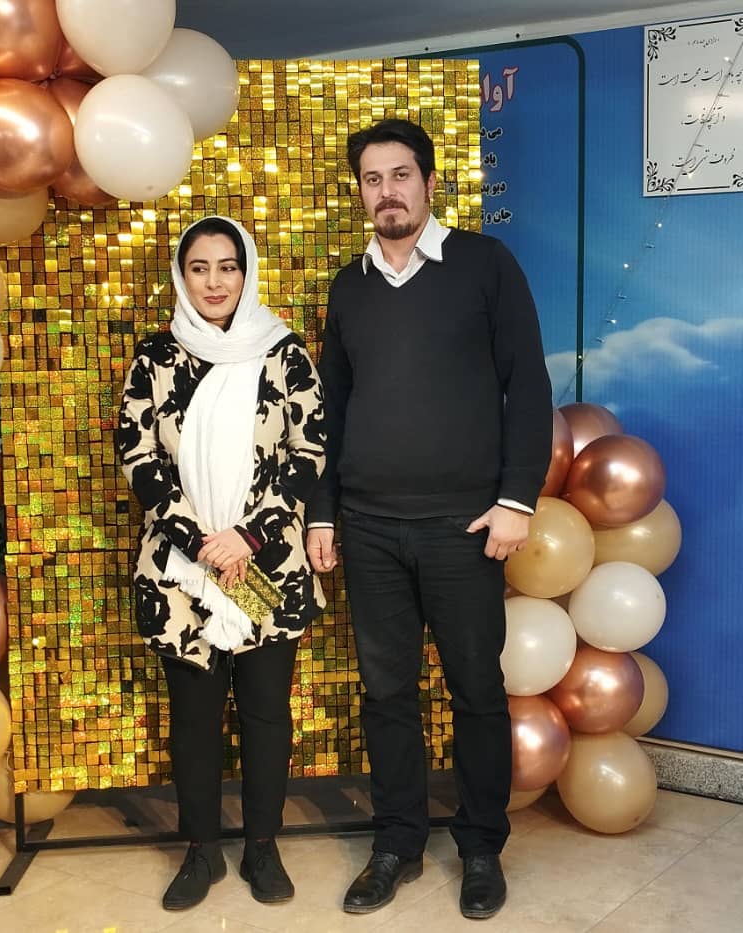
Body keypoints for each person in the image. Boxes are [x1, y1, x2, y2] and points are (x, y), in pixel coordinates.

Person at [305, 119, 552, 920]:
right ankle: (397, 843)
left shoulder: (484, 264)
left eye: (401, 174)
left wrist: (516, 500)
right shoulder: (349, 287)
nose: (388, 191)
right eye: (373, 179)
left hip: (465, 527)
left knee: (476, 690)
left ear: (430, 182)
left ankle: (480, 846)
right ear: (361, 192)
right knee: (387, 695)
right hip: (370, 528)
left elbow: (529, 385)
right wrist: (324, 513)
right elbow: (331, 410)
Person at [116, 215, 327, 911]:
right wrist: (200, 539)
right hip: (182, 571)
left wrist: (248, 536)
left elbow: (309, 452)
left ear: (247, 272)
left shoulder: (284, 353)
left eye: (227, 266)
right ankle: (201, 849)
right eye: (199, 267)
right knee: (195, 718)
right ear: (182, 276)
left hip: (262, 563)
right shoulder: (156, 357)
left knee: (266, 712)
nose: (214, 281)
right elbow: (137, 453)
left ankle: (262, 846)